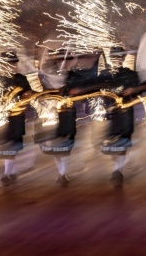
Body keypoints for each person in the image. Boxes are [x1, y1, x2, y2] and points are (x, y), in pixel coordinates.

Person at [39, 48, 100, 186]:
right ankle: (62, 172)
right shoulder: (48, 73)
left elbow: (88, 88)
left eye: (66, 59)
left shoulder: (75, 76)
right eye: (60, 59)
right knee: (55, 148)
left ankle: (63, 173)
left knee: (66, 145)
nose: (64, 62)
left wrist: (79, 91)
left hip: (71, 115)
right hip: (52, 115)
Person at [99, 46, 146, 185]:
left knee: (122, 141)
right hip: (110, 112)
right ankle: (118, 168)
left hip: (126, 112)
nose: (116, 58)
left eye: (118, 56)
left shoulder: (131, 74)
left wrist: (133, 90)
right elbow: (98, 91)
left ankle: (118, 170)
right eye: (113, 56)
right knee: (113, 141)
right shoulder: (104, 74)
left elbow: (139, 92)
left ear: (123, 58)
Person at [0, 51, 35, 186]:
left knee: (11, 145)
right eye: (9, 63)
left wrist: (27, 94)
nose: (12, 66)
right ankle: (11, 171)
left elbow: (29, 93)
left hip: (17, 116)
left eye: (14, 63)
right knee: (8, 145)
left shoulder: (21, 78)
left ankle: (7, 173)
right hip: (2, 116)